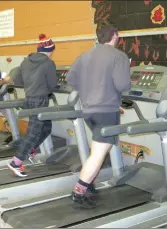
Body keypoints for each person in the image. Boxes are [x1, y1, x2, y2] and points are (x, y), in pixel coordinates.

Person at [66, 21, 131, 208]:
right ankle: (79, 192)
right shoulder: (118, 56)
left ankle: (89, 184)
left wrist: (89, 89)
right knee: (98, 154)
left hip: (88, 111)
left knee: (97, 150)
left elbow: (71, 79)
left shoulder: (84, 55)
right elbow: (122, 85)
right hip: (106, 111)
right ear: (115, 36)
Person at [7, 34, 58, 177]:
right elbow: (53, 84)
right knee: (33, 133)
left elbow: (17, 79)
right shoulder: (48, 63)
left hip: (29, 99)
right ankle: (15, 162)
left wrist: (31, 85)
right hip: (41, 100)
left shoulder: (25, 61)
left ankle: (29, 150)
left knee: (46, 128)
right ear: (50, 49)